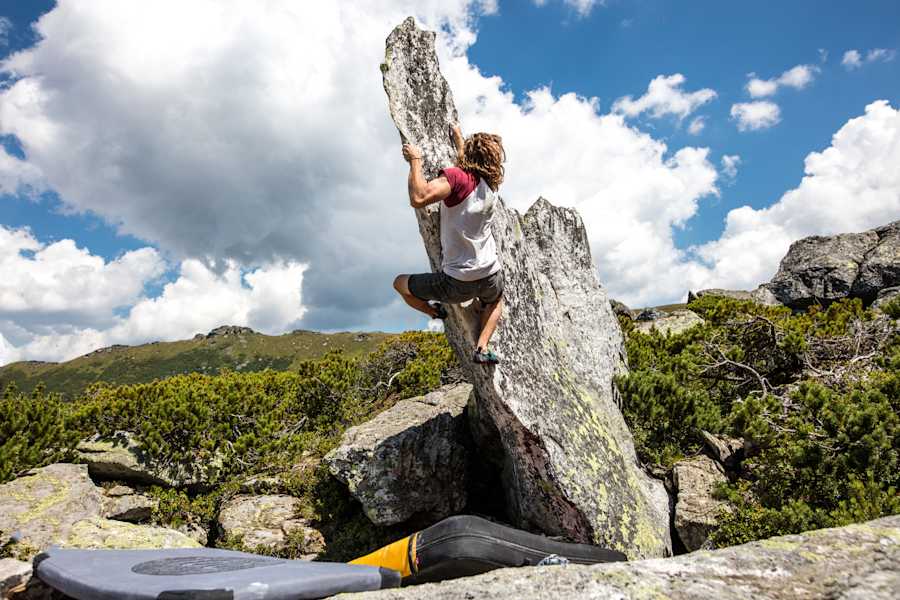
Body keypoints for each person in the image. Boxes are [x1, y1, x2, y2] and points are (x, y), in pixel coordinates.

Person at [393, 124, 505, 364]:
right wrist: (459, 140)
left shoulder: (457, 178)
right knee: (496, 301)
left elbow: (419, 197)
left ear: (469, 158)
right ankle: (482, 348)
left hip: (456, 282)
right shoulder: (491, 186)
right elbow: (471, 172)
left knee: (399, 284)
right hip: (489, 274)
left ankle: (435, 311)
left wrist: (415, 160)